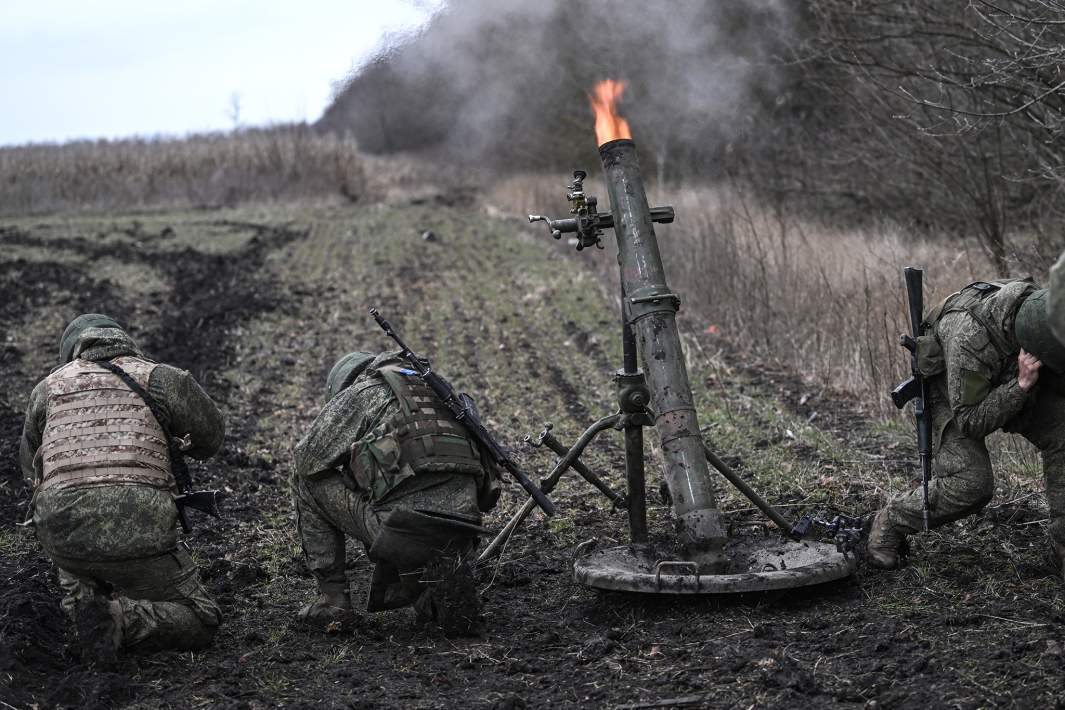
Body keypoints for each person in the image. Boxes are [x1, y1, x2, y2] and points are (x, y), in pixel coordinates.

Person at [19, 314, 225, 660]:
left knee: (80, 585)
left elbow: (31, 470)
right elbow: (211, 440)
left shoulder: (48, 388)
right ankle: (124, 620)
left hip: (64, 526)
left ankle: (85, 611)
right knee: (202, 618)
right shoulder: (162, 379)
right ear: (127, 343)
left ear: (72, 353)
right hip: (141, 527)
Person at [291, 351, 499, 635]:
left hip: (404, 527)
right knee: (404, 494)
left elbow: (306, 459)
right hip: (464, 526)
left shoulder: (362, 391)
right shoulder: (437, 390)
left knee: (305, 479)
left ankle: (332, 599)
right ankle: (432, 596)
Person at [867, 279, 1065, 574]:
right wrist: (1020, 386)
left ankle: (1061, 544)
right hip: (953, 387)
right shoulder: (968, 341)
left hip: (1007, 371)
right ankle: (891, 520)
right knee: (971, 485)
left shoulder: (1043, 311)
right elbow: (971, 421)